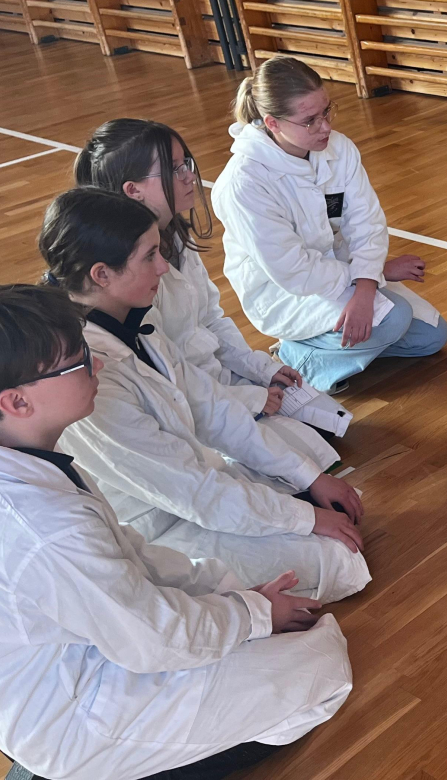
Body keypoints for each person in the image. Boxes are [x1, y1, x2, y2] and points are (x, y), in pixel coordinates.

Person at [0, 283, 352, 780]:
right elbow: (153, 636)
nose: (96, 364)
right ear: (17, 401)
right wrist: (254, 614)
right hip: (75, 719)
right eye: (77, 362)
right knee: (323, 665)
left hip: (84, 655)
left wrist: (236, 598)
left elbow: (127, 554)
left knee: (273, 627)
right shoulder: (35, 522)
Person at [41, 186, 370, 603]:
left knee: (323, 492)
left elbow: (215, 411)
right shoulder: (88, 377)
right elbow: (191, 492)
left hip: (192, 485)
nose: (163, 267)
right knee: (337, 558)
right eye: (149, 257)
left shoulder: (133, 323)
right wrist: (307, 518)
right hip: (157, 523)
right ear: (101, 275)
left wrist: (310, 480)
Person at [75, 117, 353, 449]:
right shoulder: (131, 278)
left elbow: (210, 318)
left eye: (186, 163)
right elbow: (170, 376)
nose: (190, 176)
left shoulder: (176, 238)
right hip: (190, 400)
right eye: (175, 169)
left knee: (328, 424)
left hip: (217, 375)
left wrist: (259, 369)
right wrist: (247, 398)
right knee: (303, 455)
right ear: (133, 190)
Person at [211, 55, 447, 394]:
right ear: (273, 123)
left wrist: (369, 280)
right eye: (310, 121)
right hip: (286, 292)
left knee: (432, 337)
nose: (325, 127)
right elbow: (294, 271)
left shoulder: (339, 149)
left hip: (341, 272)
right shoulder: (243, 183)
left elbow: (367, 224)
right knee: (394, 318)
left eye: (326, 111)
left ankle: (332, 346)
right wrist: (371, 277)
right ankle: (294, 357)